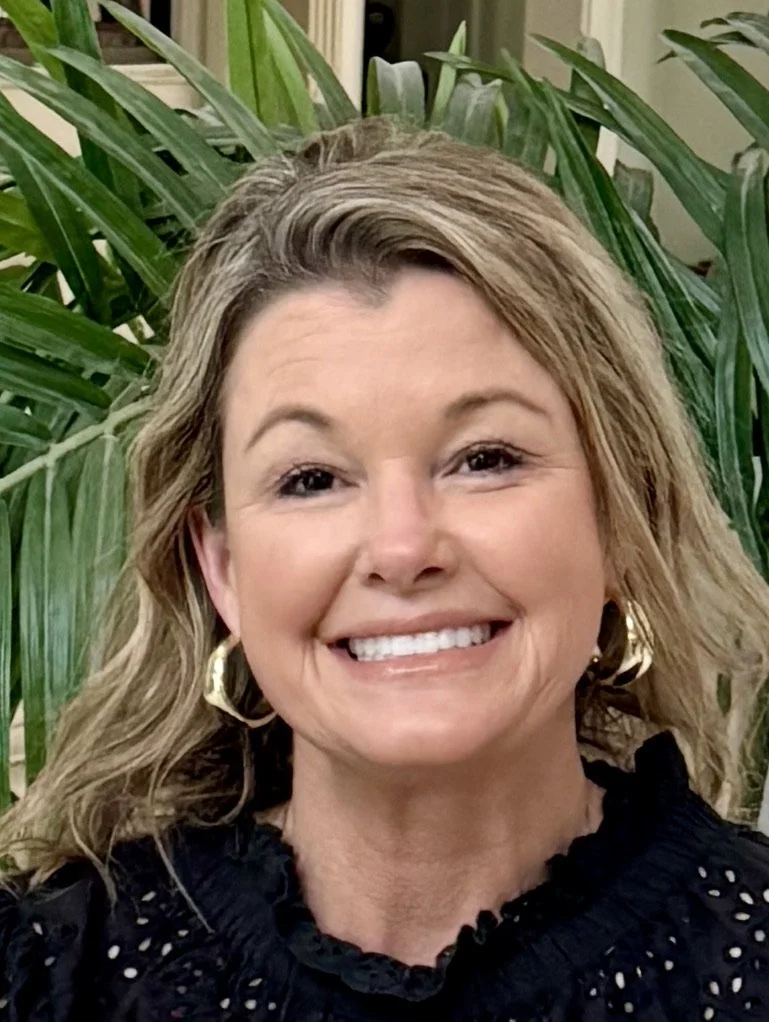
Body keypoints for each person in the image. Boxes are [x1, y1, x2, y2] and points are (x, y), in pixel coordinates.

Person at [2, 117, 769, 1021]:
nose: (404, 550)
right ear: (222, 571)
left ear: (619, 517)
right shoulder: (50, 975)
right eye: (312, 479)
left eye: (484, 458)